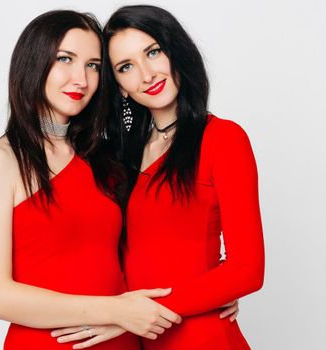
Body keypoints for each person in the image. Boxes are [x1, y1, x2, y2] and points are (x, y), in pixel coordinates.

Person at [0, 10, 188, 350]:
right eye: (65, 59)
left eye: (94, 65)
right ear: (33, 62)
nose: (81, 79)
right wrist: (115, 311)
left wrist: (206, 298)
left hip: (124, 341)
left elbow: (154, 247)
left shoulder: (105, 158)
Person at [53, 5, 264, 349]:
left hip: (201, 338)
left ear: (175, 51)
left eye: (153, 52)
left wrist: (138, 315)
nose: (147, 74)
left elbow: (247, 269)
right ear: (119, 86)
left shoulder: (223, 139)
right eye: (126, 67)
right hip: (140, 341)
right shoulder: (118, 156)